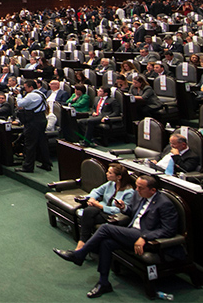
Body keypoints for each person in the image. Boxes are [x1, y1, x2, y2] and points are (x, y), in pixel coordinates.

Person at [53, 175, 184, 299]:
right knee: (106, 243)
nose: (136, 190)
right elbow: (133, 212)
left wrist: (145, 237)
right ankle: (103, 283)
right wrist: (124, 208)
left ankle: (79, 254)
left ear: (153, 190)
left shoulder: (164, 204)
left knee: (105, 228)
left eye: (140, 188)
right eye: (136, 186)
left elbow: (169, 230)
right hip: (132, 232)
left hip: (148, 239)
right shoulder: (139, 196)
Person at [74, 162, 136, 249]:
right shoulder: (111, 183)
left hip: (113, 216)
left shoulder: (129, 192)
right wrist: (92, 198)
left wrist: (100, 206)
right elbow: (96, 191)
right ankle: (84, 245)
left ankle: (82, 244)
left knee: (88, 214)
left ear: (119, 177)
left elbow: (121, 210)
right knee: (89, 212)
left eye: (110, 173)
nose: (106, 174)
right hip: (100, 210)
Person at [14, 79, 51, 173]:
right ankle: (46, 164)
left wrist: (18, 95)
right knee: (42, 143)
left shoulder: (31, 95)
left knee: (30, 144)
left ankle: (28, 167)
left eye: (26, 87)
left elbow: (20, 104)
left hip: (33, 121)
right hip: (42, 119)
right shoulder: (41, 94)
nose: (24, 89)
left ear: (31, 87)